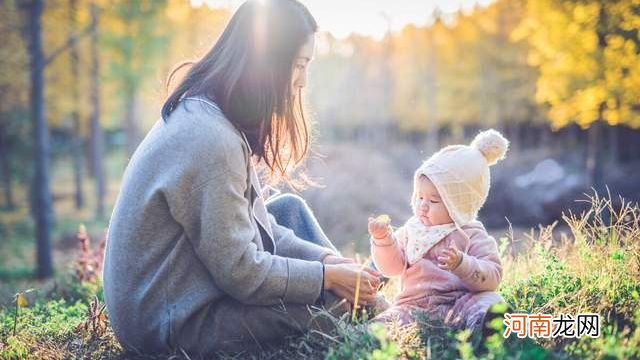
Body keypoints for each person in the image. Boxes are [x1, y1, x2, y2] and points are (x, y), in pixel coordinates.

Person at [102, 0, 380, 355]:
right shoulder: (210, 139)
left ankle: (355, 289)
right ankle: (370, 309)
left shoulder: (210, 113)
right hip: (172, 325)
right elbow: (243, 273)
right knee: (334, 306)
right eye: (298, 65)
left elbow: (258, 225)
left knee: (289, 210)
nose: (302, 81)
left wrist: (327, 262)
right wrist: (325, 279)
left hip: (185, 290)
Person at [368, 129, 509, 333]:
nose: (423, 206)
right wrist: (383, 241)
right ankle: (372, 334)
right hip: (413, 306)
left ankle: (488, 327)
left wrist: (463, 264)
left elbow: (493, 275)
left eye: (433, 201)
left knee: (488, 301)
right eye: (420, 197)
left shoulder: (471, 233)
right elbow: (392, 268)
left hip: (461, 301)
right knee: (387, 322)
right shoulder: (412, 229)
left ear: (459, 204)